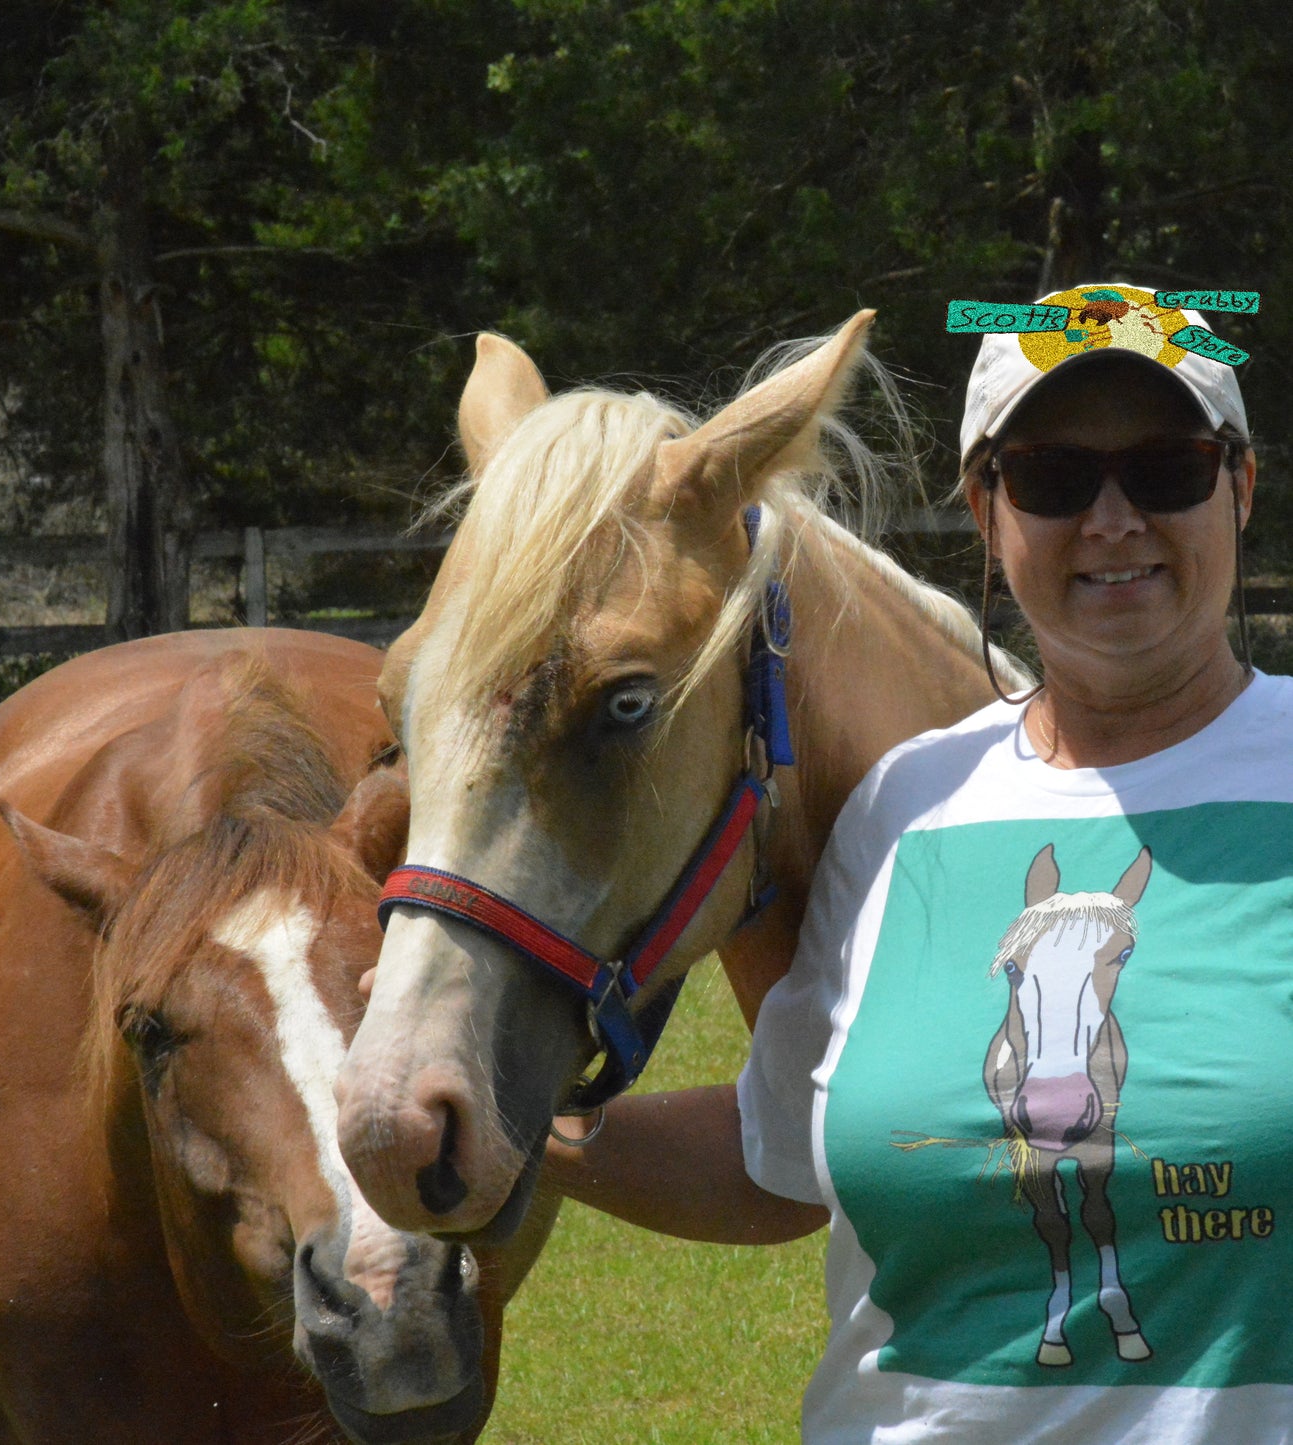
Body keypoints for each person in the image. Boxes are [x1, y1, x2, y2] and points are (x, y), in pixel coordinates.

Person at [546, 282, 1293, 1442]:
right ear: (983, 508)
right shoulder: (907, 803)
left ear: (1238, 485)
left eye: (1164, 468)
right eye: (1049, 477)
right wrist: (518, 1132)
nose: (1109, 519)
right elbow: (774, 1158)